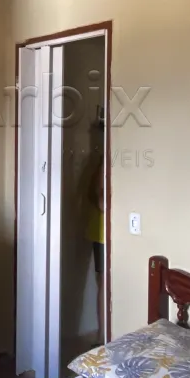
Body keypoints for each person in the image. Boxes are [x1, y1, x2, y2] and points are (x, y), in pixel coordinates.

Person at [84, 127, 106, 343]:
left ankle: (105, 335)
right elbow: (100, 201)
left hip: (105, 233)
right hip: (102, 234)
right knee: (105, 283)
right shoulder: (104, 164)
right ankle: (102, 336)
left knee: (107, 283)